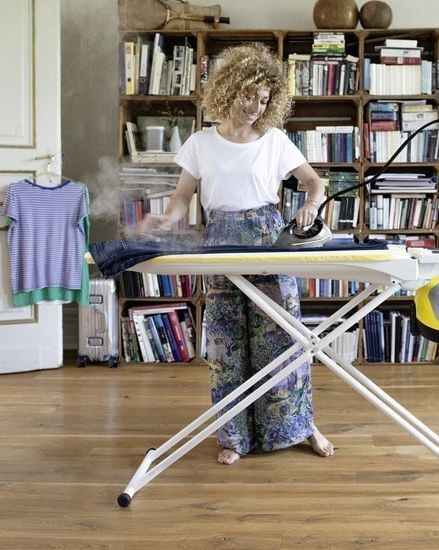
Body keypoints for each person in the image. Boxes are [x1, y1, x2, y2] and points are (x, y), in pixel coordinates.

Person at [141, 43, 334, 465]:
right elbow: (182, 198)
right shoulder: (201, 143)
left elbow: (315, 183)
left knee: (283, 339)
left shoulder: (275, 141)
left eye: (264, 100)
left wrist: (310, 204)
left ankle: (300, 426)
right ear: (230, 88)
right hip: (221, 242)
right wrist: (166, 218)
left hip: (269, 239)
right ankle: (235, 436)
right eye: (250, 95)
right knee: (227, 345)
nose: (255, 107)